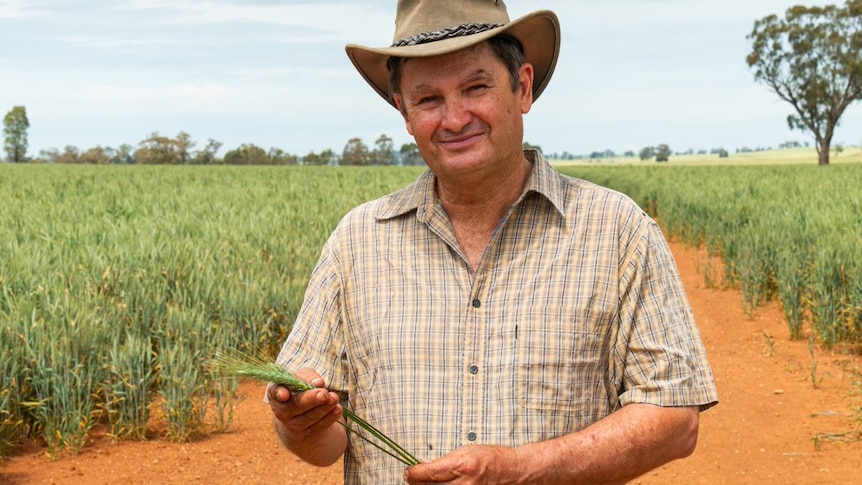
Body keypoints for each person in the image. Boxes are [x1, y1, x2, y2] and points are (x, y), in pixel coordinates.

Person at [266, 1, 719, 483]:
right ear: (403, 111)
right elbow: (320, 444)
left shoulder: (617, 230)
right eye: (428, 99)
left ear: (521, 87)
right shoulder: (356, 242)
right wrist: (301, 423)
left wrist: (524, 471)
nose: (455, 118)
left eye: (475, 87)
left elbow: (674, 420)